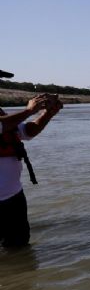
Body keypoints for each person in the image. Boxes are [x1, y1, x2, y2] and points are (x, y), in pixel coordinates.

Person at [1, 93, 62, 248]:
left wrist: (48, 113)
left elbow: (27, 131)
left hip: (14, 197)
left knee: (19, 249)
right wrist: (29, 111)